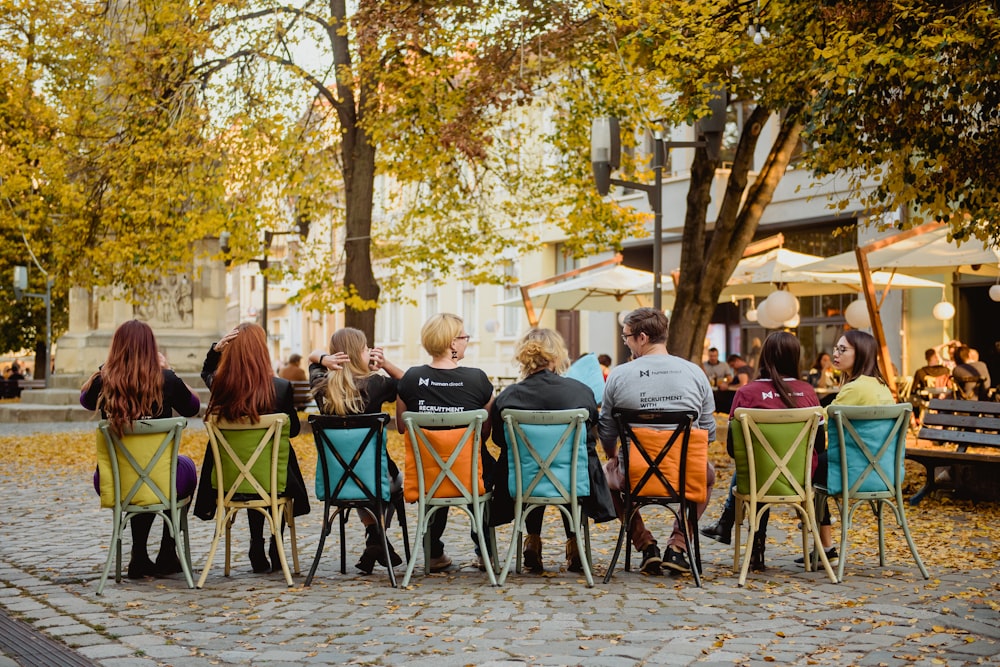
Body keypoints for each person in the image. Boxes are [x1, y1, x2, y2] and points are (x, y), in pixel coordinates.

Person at [598, 307, 716, 576]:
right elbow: (708, 432)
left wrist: (611, 455)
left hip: (634, 475)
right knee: (708, 476)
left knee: (603, 477)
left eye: (626, 336)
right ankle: (678, 545)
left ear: (641, 337)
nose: (624, 341)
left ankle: (645, 544)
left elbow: (606, 430)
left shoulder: (619, 375)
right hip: (685, 474)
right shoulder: (695, 373)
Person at [80, 320, 201, 579]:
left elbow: (85, 400)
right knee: (181, 468)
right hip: (162, 478)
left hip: (114, 478)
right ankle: (168, 550)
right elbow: (193, 407)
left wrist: (105, 369)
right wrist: (171, 370)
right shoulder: (166, 380)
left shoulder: (104, 381)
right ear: (151, 348)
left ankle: (139, 554)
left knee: (141, 476)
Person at [490, 329, 616, 573]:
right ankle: (574, 543)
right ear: (557, 357)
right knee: (568, 466)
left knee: (532, 466)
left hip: (523, 483)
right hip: (573, 482)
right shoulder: (580, 392)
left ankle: (532, 540)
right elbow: (591, 436)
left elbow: (499, 440)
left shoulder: (507, 397)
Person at [700, 331, 822, 571]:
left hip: (757, 480)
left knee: (754, 467)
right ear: (796, 358)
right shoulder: (808, 393)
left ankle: (751, 545)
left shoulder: (746, 393)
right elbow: (819, 446)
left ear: (764, 357)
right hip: (799, 480)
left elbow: (734, 450)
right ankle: (732, 528)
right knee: (760, 467)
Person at [194, 323, 311, 574]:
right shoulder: (280, 388)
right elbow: (291, 430)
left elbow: (207, 371)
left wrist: (216, 350)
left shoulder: (220, 386)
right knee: (274, 464)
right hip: (271, 480)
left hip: (230, 481)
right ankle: (274, 542)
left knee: (254, 469)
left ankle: (255, 544)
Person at [396, 313, 496, 572]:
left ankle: (433, 553)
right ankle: (486, 553)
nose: (467, 342)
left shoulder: (410, 378)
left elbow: (400, 426)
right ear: (452, 343)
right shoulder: (478, 379)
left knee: (437, 466)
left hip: (426, 475)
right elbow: (483, 432)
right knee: (480, 466)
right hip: (472, 474)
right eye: (464, 337)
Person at [790, 329, 895, 565]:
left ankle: (818, 534)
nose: (835, 353)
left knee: (799, 469)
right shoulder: (881, 386)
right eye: (836, 348)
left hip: (851, 471)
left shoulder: (855, 389)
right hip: (882, 472)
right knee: (813, 468)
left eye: (843, 349)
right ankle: (820, 535)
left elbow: (821, 420)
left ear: (862, 354)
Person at [306, 328, 406, 574]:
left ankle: (374, 537)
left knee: (360, 478)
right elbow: (411, 384)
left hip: (336, 482)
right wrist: (384, 364)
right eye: (365, 349)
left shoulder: (321, 385)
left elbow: (312, 357)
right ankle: (376, 537)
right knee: (388, 482)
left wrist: (323, 359)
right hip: (377, 480)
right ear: (357, 353)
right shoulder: (377, 383)